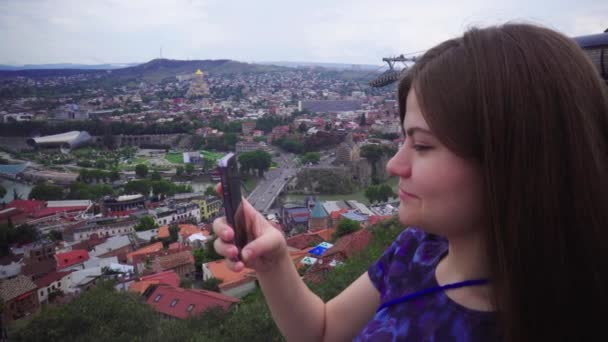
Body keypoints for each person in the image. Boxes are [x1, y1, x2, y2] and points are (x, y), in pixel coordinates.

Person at [214, 23, 608, 341]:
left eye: (421, 145)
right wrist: (274, 261)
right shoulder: (420, 248)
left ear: (513, 159)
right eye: (404, 139)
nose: (393, 164)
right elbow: (323, 331)